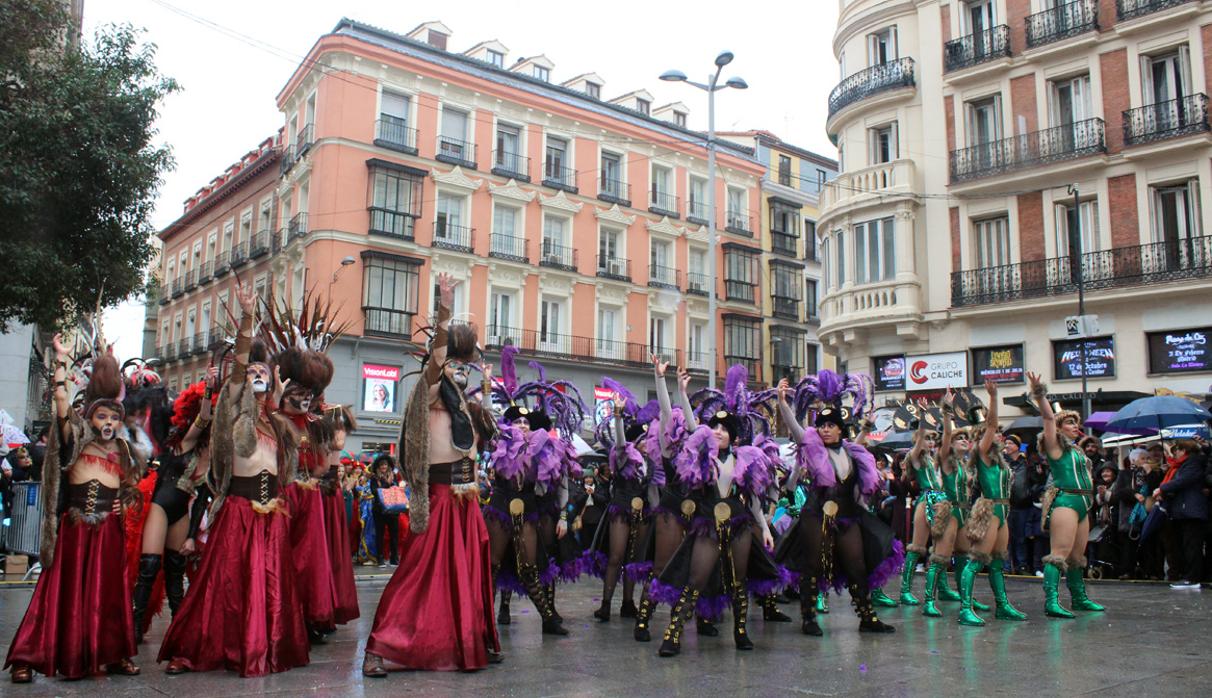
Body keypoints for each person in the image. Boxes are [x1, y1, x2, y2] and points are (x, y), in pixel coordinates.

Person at [158, 282, 310, 676]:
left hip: (271, 515)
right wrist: (247, 320)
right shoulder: (235, 408)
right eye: (252, 370)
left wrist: (277, 396)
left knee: (270, 585)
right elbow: (240, 367)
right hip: (239, 510)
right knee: (222, 582)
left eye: (265, 370)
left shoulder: (277, 425)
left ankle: (266, 646)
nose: (257, 374)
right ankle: (198, 647)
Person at [363, 273, 502, 675]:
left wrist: (488, 391)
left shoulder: (466, 405)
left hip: (467, 500)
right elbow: (438, 358)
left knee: (471, 575)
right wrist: (445, 306)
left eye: (465, 366)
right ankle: (378, 647)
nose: (460, 371)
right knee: (417, 573)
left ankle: (471, 640)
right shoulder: (429, 392)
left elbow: (486, 437)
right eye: (454, 365)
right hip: (438, 498)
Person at [6, 332, 144, 683]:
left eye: (114, 417)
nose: (109, 423)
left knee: (110, 594)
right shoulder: (76, 439)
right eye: (102, 417)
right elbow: (63, 408)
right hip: (75, 528)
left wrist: (123, 504)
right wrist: (62, 363)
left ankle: (112, 654)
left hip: (107, 532)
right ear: (91, 417)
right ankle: (28, 656)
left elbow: (130, 487)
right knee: (57, 593)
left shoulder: (123, 451)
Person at [651, 364, 786, 657]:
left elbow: (752, 500)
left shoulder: (745, 459)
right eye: (714, 427)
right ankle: (673, 633)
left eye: (724, 429)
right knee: (696, 578)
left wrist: (764, 529)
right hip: (707, 525)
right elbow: (690, 423)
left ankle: (740, 632)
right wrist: (676, 389)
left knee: (738, 581)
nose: (717, 432)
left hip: (739, 526)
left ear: (735, 438)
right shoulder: (703, 457)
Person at [775, 371, 898, 637]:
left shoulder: (852, 453)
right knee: (812, 566)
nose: (825, 429)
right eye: (821, 426)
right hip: (815, 516)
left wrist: (866, 428)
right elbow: (796, 430)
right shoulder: (812, 448)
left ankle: (867, 616)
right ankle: (808, 618)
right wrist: (782, 403)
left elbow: (856, 474)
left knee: (857, 565)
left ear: (840, 429)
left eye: (830, 426)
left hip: (847, 517)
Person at [131, 370, 216, 643]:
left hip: (181, 511)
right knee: (149, 567)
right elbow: (202, 419)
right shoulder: (185, 442)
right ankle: (133, 630)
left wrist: (192, 535)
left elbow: (201, 501)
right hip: (160, 504)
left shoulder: (214, 459)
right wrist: (208, 391)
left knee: (176, 573)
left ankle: (179, 634)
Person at [1027, 372, 1105, 618]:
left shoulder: (1078, 451)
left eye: (1076, 422)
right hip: (1066, 502)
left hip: (1083, 503)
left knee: (1077, 557)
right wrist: (1040, 393)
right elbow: (1048, 417)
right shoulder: (1055, 447)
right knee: (1058, 554)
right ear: (1059, 428)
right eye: (1070, 423)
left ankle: (1079, 598)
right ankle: (1051, 601)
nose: (1076, 426)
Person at [956, 380, 1027, 625]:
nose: (999, 434)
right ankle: (965, 608)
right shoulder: (983, 452)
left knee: (998, 561)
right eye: (995, 432)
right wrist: (994, 398)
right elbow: (991, 424)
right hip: (990, 510)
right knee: (977, 560)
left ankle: (1003, 606)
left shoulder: (998, 459)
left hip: (1003, 510)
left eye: (999, 432)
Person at [1155, 439, 1207, 589]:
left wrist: (1162, 488)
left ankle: (1193, 578)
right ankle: (1189, 576)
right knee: (1185, 545)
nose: (1174, 454)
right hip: (1184, 510)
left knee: (1192, 545)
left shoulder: (1193, 463)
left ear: (1184, 450)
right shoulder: (1181, 465)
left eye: (1176, 451)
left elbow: (1183, 481)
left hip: (1191, 510)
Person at [370, 455, 400, 566]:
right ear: (378, 466)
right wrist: (387, 484)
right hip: (379, 510)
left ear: (388, 466)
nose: (383, 466)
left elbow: (396, 490)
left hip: (393, 510)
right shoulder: (374, 478)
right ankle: (380, 558)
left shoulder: (393, 476)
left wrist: (394, 485)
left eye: (385, 464)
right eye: (381, 464)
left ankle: (394, 558)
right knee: (380, 534)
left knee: (394, 535)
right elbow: (374, 492)